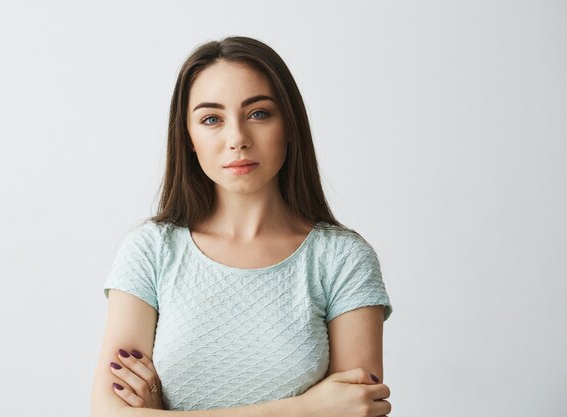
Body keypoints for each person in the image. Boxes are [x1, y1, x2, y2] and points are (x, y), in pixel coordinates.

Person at [91, 36, 393, 417]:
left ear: (290, 125)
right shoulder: (151, 251)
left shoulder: (343, 259)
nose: (237, 139)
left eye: (258, 114)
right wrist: (307, 409)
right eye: (211, 119)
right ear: (189, 138)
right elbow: (108, 413)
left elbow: (356, 410)